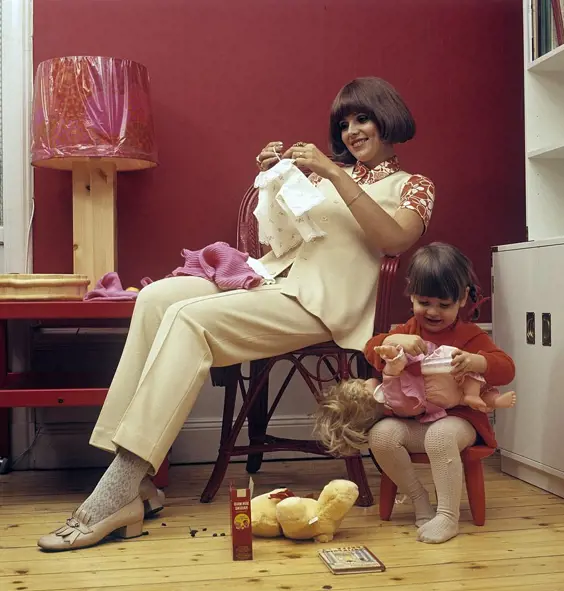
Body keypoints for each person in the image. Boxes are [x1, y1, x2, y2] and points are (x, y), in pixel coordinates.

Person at [38, 76, 436, 551]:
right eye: (344, 123)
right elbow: (277, 242)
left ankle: (120, 488)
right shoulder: (318, 177)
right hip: (273, 281)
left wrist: (333, 174)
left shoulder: (413, 186)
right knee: (156, 298)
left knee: (189, 319)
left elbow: (394, 239)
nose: (352, 130)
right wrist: (274, 179)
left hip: (324, 305)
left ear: (388, 118)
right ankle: (138, 480)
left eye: (362, 118)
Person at [315, 243, 515, 544]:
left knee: (440, 436)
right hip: (415, 419)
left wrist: (476, 361)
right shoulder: (410, 330)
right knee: (381, 435)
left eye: (444, 305)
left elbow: (506, 369)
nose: (433, 312)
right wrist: (395, 339)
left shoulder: (471, 336)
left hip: (460, 420)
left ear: (461, 299)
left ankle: (448, 515)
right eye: (424, 302)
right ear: (411, 295)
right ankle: (418, 498)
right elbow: (372, 350)